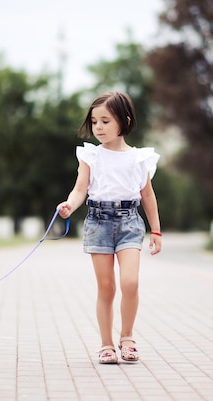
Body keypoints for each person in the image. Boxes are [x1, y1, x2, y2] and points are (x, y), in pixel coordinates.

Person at [57, 91, 162, 364]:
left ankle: (127, 337)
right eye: (94, 122)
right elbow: (80, 190)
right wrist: (69, 205)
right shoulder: (91, 156)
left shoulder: (139, 158)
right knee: (106, 287)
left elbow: (148, 196)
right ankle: (106, 345)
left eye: (105, 121)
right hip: (98, 222)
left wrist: (156, 230)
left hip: (129, 222)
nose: (98, 127)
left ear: (124, 121)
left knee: (130, 282)